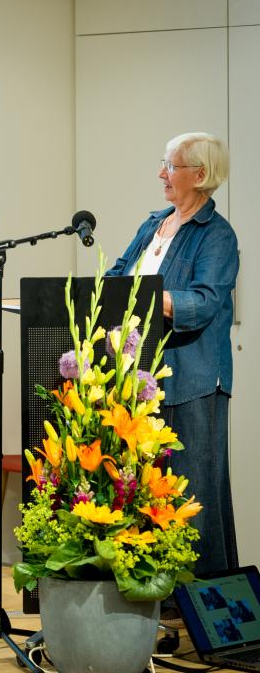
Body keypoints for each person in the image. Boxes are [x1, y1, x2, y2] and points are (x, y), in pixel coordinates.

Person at [106, 132, 239, 582]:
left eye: (171, 166)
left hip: (195, 379)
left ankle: (202, 599)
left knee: (194, 489)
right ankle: (155, 590)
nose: (161, 173)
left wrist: (146, 296)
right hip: (142, 376)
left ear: (199, 176)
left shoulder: (217, 236)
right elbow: (116, 275)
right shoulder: (153, 224)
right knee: (146, 489)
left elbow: (202, 302)